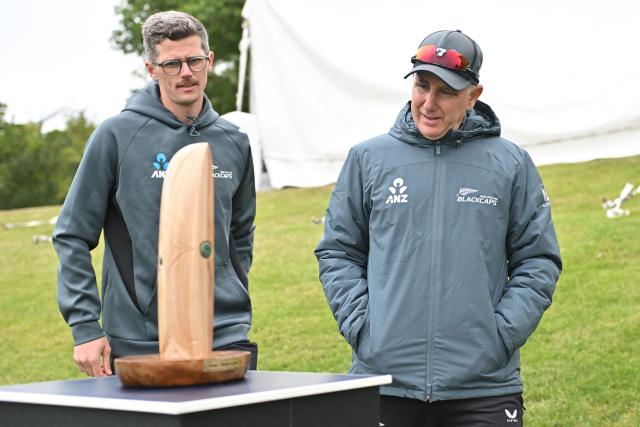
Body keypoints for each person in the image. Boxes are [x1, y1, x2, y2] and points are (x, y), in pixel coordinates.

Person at [315, 29, 561, 426]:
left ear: (473, 95)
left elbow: (538, 261)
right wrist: (364, 330)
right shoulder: (367, 159)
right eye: (422, 85)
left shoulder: (511, 164)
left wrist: (498, 337)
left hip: (483, 388)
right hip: (384, 382)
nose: (429, 103)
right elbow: (338, 251)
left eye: (445, 91)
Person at [53, 11, 257, 377]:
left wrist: (232, 286)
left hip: (224, 332)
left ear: (209, 60)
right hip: (141, 335)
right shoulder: (116, 136)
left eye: (195, 60)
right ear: (151, 69)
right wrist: (85, 327)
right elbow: (72, 234)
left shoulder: (234, 142)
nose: (186, 73)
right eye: (172, 64)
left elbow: (240, 233)